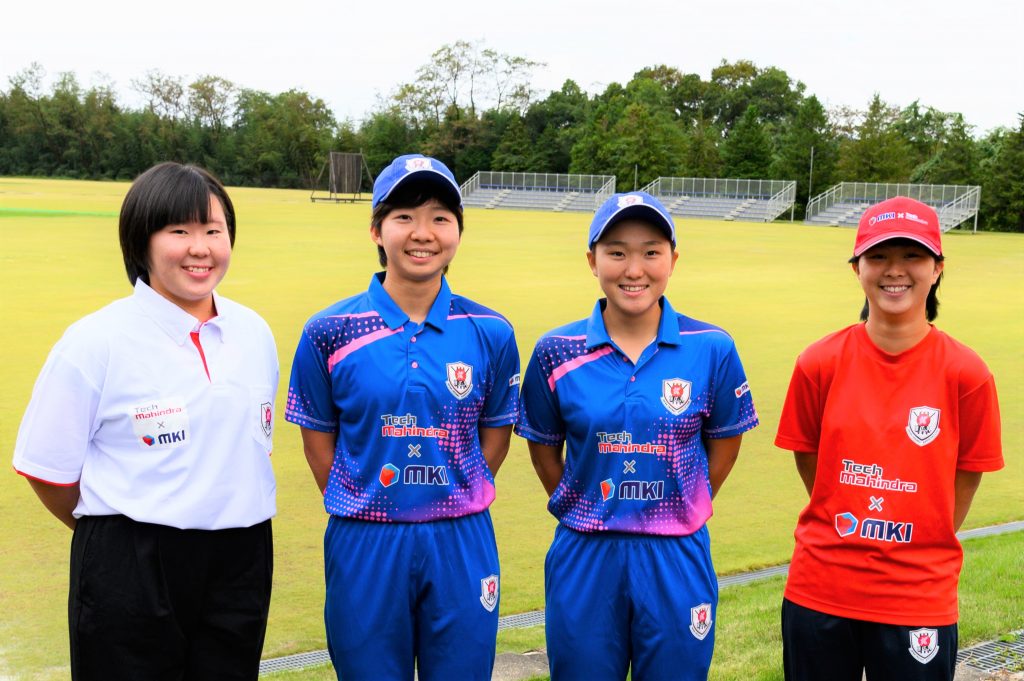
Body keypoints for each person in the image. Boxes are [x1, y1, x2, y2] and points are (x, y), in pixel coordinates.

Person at [13, 162, 278, 680]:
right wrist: (126, 529)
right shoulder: (96, 341)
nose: (199, 247)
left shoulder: (254, 332)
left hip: (241, 559)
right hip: (130, 562)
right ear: (142, 240)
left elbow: (250, 445)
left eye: (212, 230)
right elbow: (48, 472)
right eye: (178, 230)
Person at [285, 154, 520, 680]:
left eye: (440, 217)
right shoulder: (329, 330)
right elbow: (318, 441)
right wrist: (365, 499)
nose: (423, 233)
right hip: (365, 538)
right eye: (404, 217)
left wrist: (452, 492)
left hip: (460, 535)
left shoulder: (492, 330)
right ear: (376, 229)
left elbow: (496, 433)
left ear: (459, 231)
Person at [516, 191, 759, 681]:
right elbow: (544, 448)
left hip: (676, 551)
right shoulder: (554, 351)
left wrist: (685, 502)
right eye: (617, 252)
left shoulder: (711, 346)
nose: (634, 269)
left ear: (673, 259)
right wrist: (586, 504)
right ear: (592, 260)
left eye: (651, 252)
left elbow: (725, 443)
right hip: (586, 551)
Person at [775, 196, 1004, 681]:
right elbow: (809, 458)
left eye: (912, 257)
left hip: (918, 595)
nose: (894, 270)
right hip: (821, 588)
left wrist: (920, 534)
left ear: (938, 268)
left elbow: (967, 474)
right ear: (856, 267)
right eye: (878, 256)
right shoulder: (819, 363)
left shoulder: (968, 373)